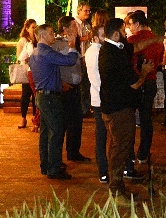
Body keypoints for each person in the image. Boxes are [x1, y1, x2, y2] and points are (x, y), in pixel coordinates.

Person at [99, 18, 155, 202]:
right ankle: (116, 190)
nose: (126, 34)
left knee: (117, 146)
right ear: (116, 34)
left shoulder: (112, 48)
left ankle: (118, 186)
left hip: (112, 106)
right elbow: (135, 84)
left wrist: (155, 39)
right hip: (119, 108)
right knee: (120, 148)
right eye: (124, 31)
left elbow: (135, 47)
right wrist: (145, 71)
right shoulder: (115, 56)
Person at [30, 24, 79, 179]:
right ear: (42, 36)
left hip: (42, 95)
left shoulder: (35, 52)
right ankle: (54, 168)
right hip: (50, 97)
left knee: (45, 133)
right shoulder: (47, 52)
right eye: (51, 33)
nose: (54, 35)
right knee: (56, 131)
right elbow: (70, 60)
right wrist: (72, 45)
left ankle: (46, 164)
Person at [126, 11, 165, 163]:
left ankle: (129, 155)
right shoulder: (156, 40)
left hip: (135, 82)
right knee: (146, 118)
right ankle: (144, 152)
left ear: (137, 24)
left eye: (130, 24)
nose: (129, 28)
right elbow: (160, 59)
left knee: (129, 118)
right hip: (151, 81)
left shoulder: (132, 40)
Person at [53, 16, 90, 162]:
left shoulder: (74, 43)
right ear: (65, 29)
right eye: (74, 26)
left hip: (75, 87)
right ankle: (57, 159)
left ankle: (73, 152)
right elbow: (54, 66)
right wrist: (60, 82)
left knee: (76, 121)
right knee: (63, 124)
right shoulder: (57, 44)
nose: (77, 29)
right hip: (64, 88)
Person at [84, 25, 109, 184]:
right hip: (103, 99)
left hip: (97, 98)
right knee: (105, 136)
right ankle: (105, 170)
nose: (105, 38)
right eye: (102, 35)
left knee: (101, 135)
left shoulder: (90, 52)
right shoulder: (98, 52)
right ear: (95, 38)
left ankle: (103, 171)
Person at [16, 18, 37, 129]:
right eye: (33, 27)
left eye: (36, 27)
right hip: (26, 71)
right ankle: (23, 117)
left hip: (36, 71)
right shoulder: (23, 41)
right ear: (27, 28)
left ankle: (35, 117)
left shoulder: (38, 39)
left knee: (35, 96)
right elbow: (19, 57)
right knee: (25, 95)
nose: (34, 29)